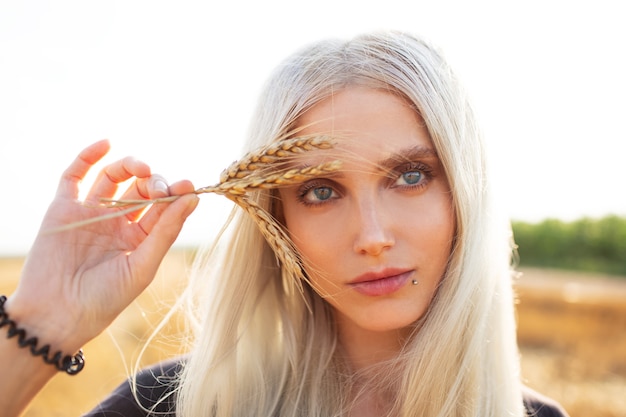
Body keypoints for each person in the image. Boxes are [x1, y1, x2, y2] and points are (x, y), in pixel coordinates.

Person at [0, 31, 569, 417]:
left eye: (411, 176)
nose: (372, 236)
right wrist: (40, 327)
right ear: (278, 220)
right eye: (320, 191)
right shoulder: (177, 407)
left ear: (465, 194)